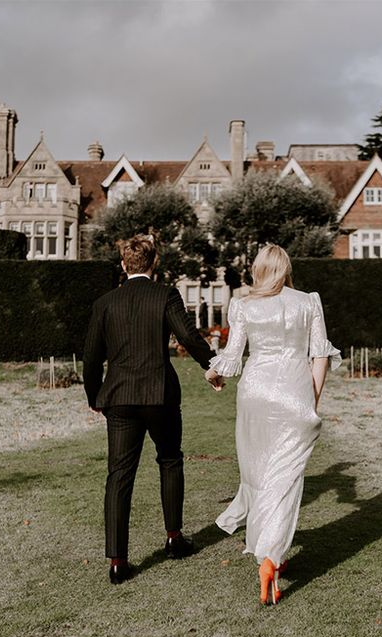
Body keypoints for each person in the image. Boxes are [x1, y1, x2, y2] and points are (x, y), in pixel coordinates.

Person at [83, 234, 223, 585]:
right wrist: (213, 364)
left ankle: (118, 560)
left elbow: (90, 359)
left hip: (119, 398)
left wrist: (94, 396)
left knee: (119, 475)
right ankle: (174, 539)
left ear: (123, 265)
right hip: (160, 395)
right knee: (170, 460)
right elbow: (188, 337)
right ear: (154, 263)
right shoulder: (165, 295)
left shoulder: (105, 303)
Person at [205, 244, 341, 605]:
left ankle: (269, 552)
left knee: (261, 474)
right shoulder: (308, 301)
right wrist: (310, 398)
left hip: (254, 393)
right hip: (294, 392)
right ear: (286, 268)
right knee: (287, 477)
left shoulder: (244, 305)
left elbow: (233, 354)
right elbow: (320, 355)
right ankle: (271, 556)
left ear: (259, 270)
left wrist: (213, 371)